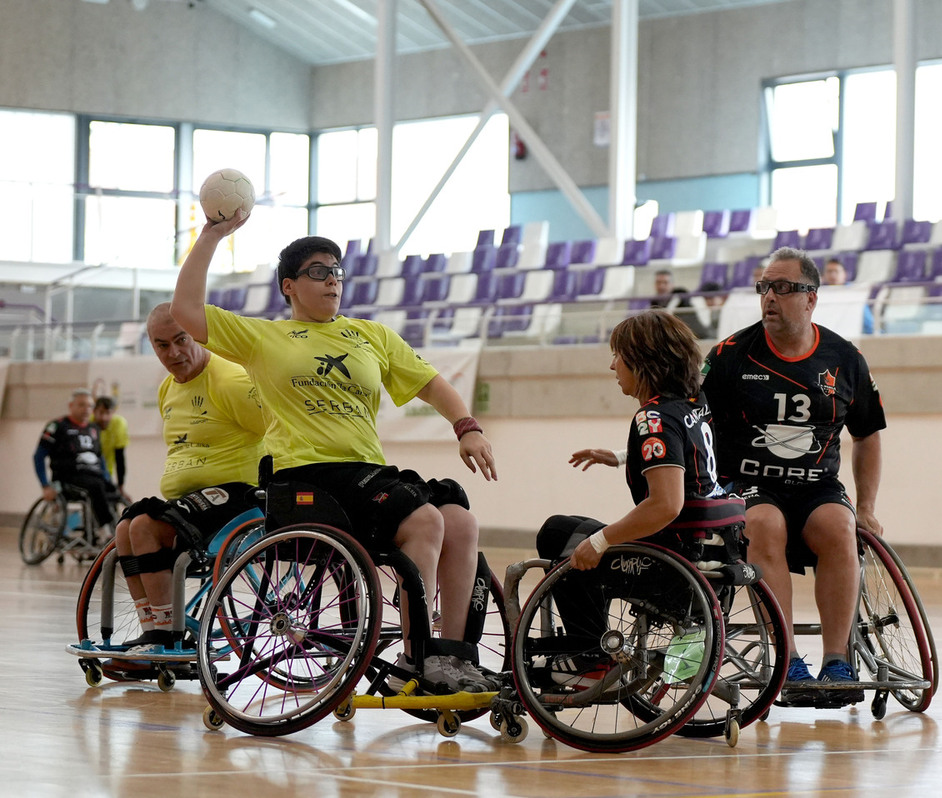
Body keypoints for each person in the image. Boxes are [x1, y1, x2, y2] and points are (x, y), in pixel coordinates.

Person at [171, 214, 500, 693]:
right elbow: (184, 310)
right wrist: (213, 236)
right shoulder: (264, 338)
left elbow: (431, 384)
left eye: (338, 272)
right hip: (309, 475)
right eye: (320, 271)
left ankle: (452, 659)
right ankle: (417, 658)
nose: (333, 281)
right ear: (290, 285)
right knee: (426, 520)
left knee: (461, 521)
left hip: (367, 472)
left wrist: (466, 426)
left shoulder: (371, 336)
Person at [701, 246, 886, 707]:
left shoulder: (844, 357)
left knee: (841, 528)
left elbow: (867, 435)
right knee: (765, 524)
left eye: (783, 288)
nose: (770, 297)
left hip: (816, 485)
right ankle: (788, 660)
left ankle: (838, 661)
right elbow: (689, 423)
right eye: (764, 287)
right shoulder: (728, 356)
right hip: (747, 482)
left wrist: (866, 508)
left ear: (811, 299)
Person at [535, 309, 739, 685]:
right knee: (575, 535)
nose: (612, 366)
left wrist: (600, 541)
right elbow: (687, 461)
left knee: (559, 535)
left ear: (643, 362)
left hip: (671, 570)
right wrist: (621, 457)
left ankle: (591, 659)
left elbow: (666, 505)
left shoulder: (653, 418)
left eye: (618, 356)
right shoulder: (694, 403)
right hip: (712, 558)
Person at [114, 303, 266, 651]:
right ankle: (152, 630)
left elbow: (277, 432)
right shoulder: (168, 388)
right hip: (192, 501)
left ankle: (165, 636)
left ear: (196, 335)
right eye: (162, 345)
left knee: (143, 527)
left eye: (181, 340)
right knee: (125, 528)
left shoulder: (230, 381)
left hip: (239, 497)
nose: (174, 352)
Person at [33, 388, 119, 542]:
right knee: (96, 487)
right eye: (81, 405)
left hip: (93, 475)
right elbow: (39, 456)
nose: (86, 409)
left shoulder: (93, 429)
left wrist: (108, 478)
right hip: (68, 477)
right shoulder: (57, 426)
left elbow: (100, 458)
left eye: (89, 406)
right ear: (71, 406)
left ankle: (106, 531)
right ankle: (106, 531)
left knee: (113, 491)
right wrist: (45, 486)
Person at [823, 257, 876, 334]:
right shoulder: (820, 294)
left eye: (836, 271)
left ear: (844, 274)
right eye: (829, 271)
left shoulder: (854, 294)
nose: (832, 275)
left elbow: (868, 323)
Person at [93, 395, 130, 502]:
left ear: (113, 413)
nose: (104, 418)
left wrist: (121, 485)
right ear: (94, 412)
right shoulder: (88, 424)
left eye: (108, 413)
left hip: (106, 471)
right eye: (100, 413)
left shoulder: (119, 424)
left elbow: (120, 458)